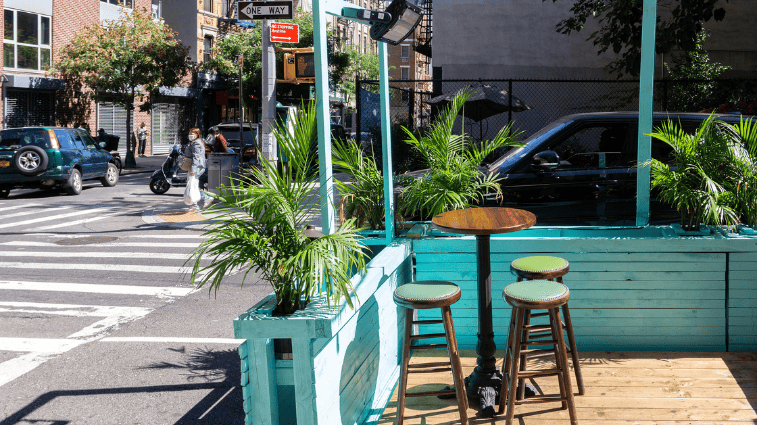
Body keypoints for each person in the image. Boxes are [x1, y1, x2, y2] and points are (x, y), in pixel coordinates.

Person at [184, 127, 211, 211]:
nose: (190, 135)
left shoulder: (197, 143)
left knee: (193, 184)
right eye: (190, 133)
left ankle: (205, 198)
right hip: (196, 167)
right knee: (193, 184)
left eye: (192, 134)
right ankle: (194, 205)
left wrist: (193, 170)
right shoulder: (194, 142)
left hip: (197, 167)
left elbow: (196, 158)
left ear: (197, 134)